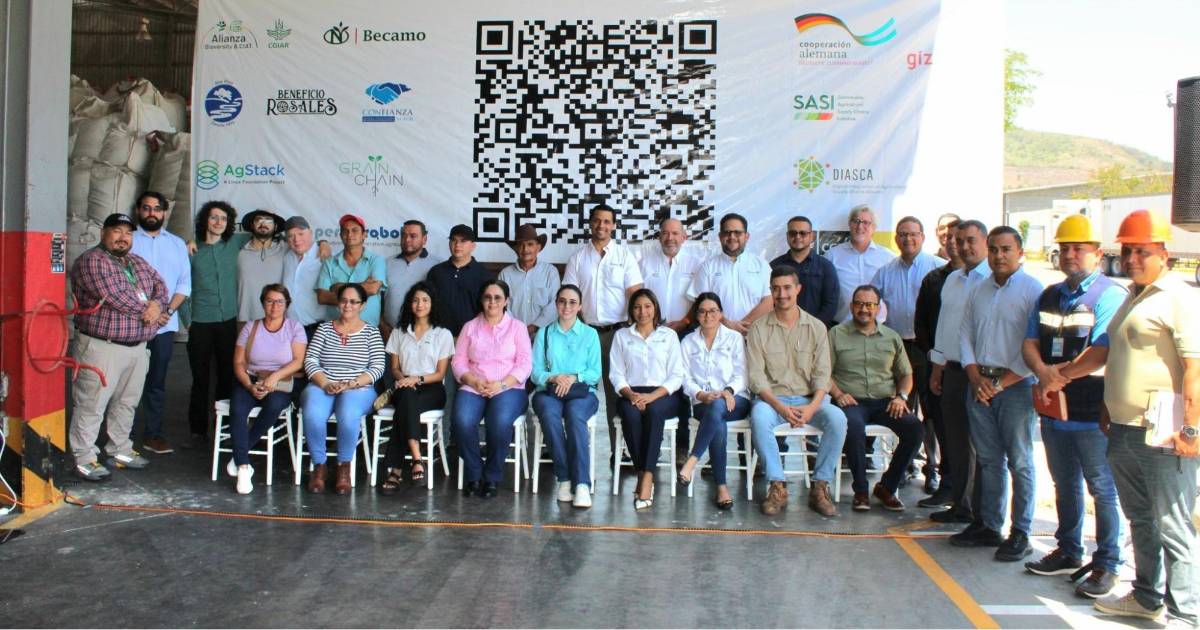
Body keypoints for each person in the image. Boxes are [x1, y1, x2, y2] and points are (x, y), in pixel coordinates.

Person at [1093, 210, 1200, 625]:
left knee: (1173, 525)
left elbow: (1194, 369)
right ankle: (1146, 595)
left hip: (1163, 434)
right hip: (1125, 429)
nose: (1132, 259)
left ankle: (1185, 614)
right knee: (1140, 518)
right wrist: (1107, 405)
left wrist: (1191, 429)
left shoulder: (1178, 297)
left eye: (1142, 251)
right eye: (1127, 251)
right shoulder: (1133, 296)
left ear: (1163, 254)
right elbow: (1116, 356)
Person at [1019, 214, 1125, 598]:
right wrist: (1042, 372)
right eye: (1064, 248)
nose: (1070, 255)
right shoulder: (1050, 295)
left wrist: (1055, 377)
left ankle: (1108, 562)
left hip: (1091, 411)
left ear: (1097, 253)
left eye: (1079, 248)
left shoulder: (1110, 295)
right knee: (1064, 483)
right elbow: (1030, 342)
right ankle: (1068, 550)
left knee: (1102, 488)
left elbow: (1100, 352)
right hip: (1054, 410)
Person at [950, 226, 1043, 562]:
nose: (999, 256)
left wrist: (1001, 383)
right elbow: (965, 334)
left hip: (1016, 386)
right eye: (994, 250)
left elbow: (1035, 345)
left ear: (1020, 253)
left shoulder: (1033, 290)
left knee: (1020, 461)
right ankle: (989, 525)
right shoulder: (980, 289)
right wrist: (975, 376)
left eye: (1006, 249)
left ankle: (1021, 532)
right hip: (980, 384)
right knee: (989, 460)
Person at [68, 213, 168, 480]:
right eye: (117, 231)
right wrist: (150, 311)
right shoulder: (92, 260)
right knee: (91, 404)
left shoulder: (136, 262)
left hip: (137, 347)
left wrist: (157, 306)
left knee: (126, 402)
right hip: (102, 347)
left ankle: (120, 449)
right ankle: (84, 457)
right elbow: (114, 296)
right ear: (104, 233)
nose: (123, 237)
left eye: (128, 233)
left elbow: (160, 286)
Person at [748, 266, 847, 517]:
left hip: (808, 400)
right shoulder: (758, 328)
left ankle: (820, 486)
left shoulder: (816, 327)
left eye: (787, 288)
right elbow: (757, 378)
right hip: (773, 401)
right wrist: (780, 407)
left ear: (798, 289)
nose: (782, 294)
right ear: (770, 291)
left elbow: (823, 375)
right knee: (759, 417)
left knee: (837, 418)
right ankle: (777, 485)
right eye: (776, 289)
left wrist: (812, 407)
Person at [827, 285, 924, 512]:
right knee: (853, 427)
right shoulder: (836, 334)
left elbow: (906, 374)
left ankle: (887, 487)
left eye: (870, 305)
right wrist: (838, 394)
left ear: (878, 308)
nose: (864, 309)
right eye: (859, 304)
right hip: (851, 401)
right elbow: (823, 373)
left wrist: (901, 397)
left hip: (885, 402)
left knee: (915, 429)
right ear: (851, 306)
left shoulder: (891, 337)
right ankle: (861, 490)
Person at [562, 204, 644, 461]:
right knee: (577, 390)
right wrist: (579, 329)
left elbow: (635, 293)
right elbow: (570, 297)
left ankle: (620, 451)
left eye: (607, 221)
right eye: (597, 220)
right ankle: (577, 451)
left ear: (614, 225)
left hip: (617, 333)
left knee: (616, 393)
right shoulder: (577, 258)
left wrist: (633, 327)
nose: (601, 226)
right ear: (590, 223)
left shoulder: (624, 256)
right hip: (585, 334)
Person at [871, 216, 945, 491]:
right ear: (896, 239)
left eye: (913, 234)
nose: (908, 239)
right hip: (898, 346)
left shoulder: (937, 268)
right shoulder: (886, 271)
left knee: (931, 410)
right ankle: (903, 465)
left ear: (923, 237)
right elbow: (869, 301)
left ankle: (932, 468)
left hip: (927, 347)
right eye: (902, 234)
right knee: (900, 408)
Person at [927, 219, 990, 523]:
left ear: (985, 242)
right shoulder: (953, 279)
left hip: (978, 374)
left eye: (970, 240)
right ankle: (961, 505)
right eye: (958, 240)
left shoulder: (991, 280)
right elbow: (944, 326)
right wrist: (937, 365)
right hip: (951, 370)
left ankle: (980, 513)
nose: (963, 246)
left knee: (978, 445)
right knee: (956, 442)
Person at [301, 283, 387, 495]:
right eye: (344, 300)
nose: (348, 305)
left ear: (362, 305)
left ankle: (343, 468)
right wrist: (325, 383)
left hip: (358, 388)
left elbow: (378, 367)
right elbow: (310, 360)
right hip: (324, 384)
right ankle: (319, 467)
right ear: (338, 303)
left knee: (348, 413)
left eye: (354, 302)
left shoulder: (371, 332)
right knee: (312, 412)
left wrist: (351, 384)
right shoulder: (324, 329)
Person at [452, 280, 532, 498]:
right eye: (488, 297)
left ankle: (492, 476)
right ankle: (474, 473)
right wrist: (473, 381)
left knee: (499, 421)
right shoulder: (470, 327)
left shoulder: (517, 327)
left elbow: (525, 364)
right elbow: (458, 362)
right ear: (481, 300)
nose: (492, 302)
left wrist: (502, 384)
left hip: (509, 387)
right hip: (474, 385)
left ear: (506, 301)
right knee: (462, 420)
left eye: (498, 297)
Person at [609, 288, 686, 510]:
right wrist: (631, 395)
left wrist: (652, 396)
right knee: (630, 414)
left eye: (647, 306)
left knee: (654, 411)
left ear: (655, 309)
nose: (642, 312)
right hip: (631, 393)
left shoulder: (668, 336)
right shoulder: (622, 336)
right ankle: (642, 473)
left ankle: (647, 476)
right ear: (631, 311)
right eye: (637, 307)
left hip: (663, 394)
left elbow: (677, 375)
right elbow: (616, 374)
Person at [226, 284, 307, 494]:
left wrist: (274, 377)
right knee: (238, 409)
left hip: (281, 382)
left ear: (287, 304)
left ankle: (239, 455)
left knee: (273, 406)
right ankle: (244, 467)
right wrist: (249, 385)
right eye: (269, 301)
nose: (274, 306)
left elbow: (298, 361)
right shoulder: (251, 327)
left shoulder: (295, 328)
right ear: (263, 303)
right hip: (251, 378)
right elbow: (238, 362)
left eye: (279, 302)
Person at [128, 191, 191, 456]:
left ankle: (153, 435)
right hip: (132, 324)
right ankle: (122, 437)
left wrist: (166, 310)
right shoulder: (128, 240)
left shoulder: (176, 244)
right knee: (127, 382)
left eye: (157, 208)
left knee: (156, 383)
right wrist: (146, 311)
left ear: (164, 212)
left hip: (164, 325)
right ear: (138, 211)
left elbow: (184, 284)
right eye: (146, 208)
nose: (151, 213)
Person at [186, 201, 250, 452]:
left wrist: (322, 243)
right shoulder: (192, 250)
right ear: (205, 220)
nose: (218, 222)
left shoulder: (234, 243)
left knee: (226, 376)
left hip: (227, 322)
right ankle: (197, 431)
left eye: (223, 218)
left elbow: (266, 232)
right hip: (200, 322)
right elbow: (182, 285)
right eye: (214, 217)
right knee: (200, 379)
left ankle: (223, 429)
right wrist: (187, 321)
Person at [530, 284, 602, 508]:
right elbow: (535, 372)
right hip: (549, 392)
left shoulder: (590, 334)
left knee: (575, 415)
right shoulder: (544, 333)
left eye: (572, 302)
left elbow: (595, 372)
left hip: (582, 392)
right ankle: (564, 478)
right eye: (562, 301)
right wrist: (554, 377)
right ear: (556, 304)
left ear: (580, 306)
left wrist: (573, 377)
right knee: (549, 414)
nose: (567, 306)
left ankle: (581, 484)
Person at [677, 292, 751, 510]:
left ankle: (692, 461)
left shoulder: (734, 338)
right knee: (716, 417)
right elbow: (684, 377)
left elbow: (742, 374)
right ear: (696, 315)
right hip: (703, 402)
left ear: (721, 314)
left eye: (713, 311)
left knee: (717, 407)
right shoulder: (688, 342)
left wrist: (728, 391)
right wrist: (701, 394)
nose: (707, 316)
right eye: (702, 311)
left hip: (736, 399)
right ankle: (721, 487)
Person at [378, 282, 453, 494]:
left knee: (404, 408)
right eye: (415, 300)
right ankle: (417, 459)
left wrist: (416, 379)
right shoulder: (399, 332)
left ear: (433, 304)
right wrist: (403, 379)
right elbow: (394, 368)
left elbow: (440, 374)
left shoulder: (443, 334)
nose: (420, 305)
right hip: (403, 386)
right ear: (409, 304)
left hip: (432, 388)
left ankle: (396, 470)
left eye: (425, 300)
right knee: (407, 398)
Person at [914, 218, 961, 502]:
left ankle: (967, 496)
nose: (953, 243)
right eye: (949, 237)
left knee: (968, 436)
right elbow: (922, 324)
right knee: (939, 424)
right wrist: (935, 361)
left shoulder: (982, 279)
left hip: (970, 370)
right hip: (936, 365)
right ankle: (946, 484)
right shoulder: (935, 279)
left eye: (960, 238)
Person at [688, 213, 772, 335]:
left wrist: (741, 326)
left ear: (746, 236)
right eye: (727, 232)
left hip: (755, 335)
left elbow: (769, 300)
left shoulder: (761, 265)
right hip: (718, 337)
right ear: (720, 236)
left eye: (737, 232)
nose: (732, 237)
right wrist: (729, 325)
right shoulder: (708, 266)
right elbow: (701, 304)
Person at [825, 205, 895, 322]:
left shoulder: (888, 258)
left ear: (874, 227)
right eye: (856, 221)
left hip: (878, 326)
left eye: (866, 222)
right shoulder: (832, 256)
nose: (860, 226)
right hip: (842, 326)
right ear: (850, 224)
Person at [316, 214, 387, 328]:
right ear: (340, 235)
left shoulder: (376, 260)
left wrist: (338, 287)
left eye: (355, 230)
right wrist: (362, 288)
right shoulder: (329, 263)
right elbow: (322, 297)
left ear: (364, 235)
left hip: (367, 330)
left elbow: (372, 289)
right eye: (345, 231)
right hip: (335, 331)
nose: (349, 234)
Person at [770, 215, 840, 326]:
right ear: (787, 236)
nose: (797, 237)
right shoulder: (774, 266)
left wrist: (813, 327)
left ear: (812, 236)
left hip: (815, 330)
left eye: (803, 233)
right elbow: (769, 301)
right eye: (793, 233)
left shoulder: (825, 267)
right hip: (780, 329)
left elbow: (831, 304)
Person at [427, 224, 493, 337]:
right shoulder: (436, 272)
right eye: (454, 240)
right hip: (438, 337)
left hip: (473, 337)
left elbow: (489, 309)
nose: (457, 245)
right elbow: (427, 304)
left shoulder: (484, 275)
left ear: (473, 246)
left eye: (463, 241)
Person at [640, 217, 702, 334]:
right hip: (652, 331)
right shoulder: (644, 264)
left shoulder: (696, 265)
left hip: (686, 331)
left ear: (684, 237)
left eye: (675, 233)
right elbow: (637, 298)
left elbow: (700, 300)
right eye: (665, 233)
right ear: (659, 237)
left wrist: (685, 321)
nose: (670, 238)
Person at [499, 224, 560, 338]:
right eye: (521, 245)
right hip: (512, 335)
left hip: (544, 335)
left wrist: (533, 327)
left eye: (530, 244)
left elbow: (555, 303)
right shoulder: (505, 274)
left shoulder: (550, 272)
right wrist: (518, 330)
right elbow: (502, 305)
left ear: (538, 247)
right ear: (515, 248)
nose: (525, 249)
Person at [381, 219, 437, 342]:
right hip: (389, 333)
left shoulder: (437, 266)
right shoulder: (386, 263)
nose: (407, 240)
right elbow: (377, 298)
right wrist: (382, 324)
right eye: (404, 235)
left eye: (413, 236)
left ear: (424, 239)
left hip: (423, 336)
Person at [281, 216, 335, 341]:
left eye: (301, 234)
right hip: (290, 330)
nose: (296, 239)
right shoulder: (287, 257)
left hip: (318, 330)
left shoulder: (325, 257)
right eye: (290, 236)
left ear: (310, 232)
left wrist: (323, 243)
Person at [237, 209, 287, 326]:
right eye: (258, 220)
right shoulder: (239, 250)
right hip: (244, 318)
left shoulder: (285, 249)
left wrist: (323, 243)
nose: (263, 223)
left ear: (275, 227)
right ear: (252, 225)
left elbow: (304, 244)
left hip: (275, 319)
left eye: (268, 220)